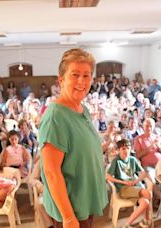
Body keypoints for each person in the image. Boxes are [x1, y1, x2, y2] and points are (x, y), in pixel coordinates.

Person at [40, 48, 108, 228]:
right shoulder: (56, 116)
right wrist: (68, 217)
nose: (81, 81)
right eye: (75, 75)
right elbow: (51, 172)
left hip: (84, 201)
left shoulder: (81, 109)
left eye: (86, 75)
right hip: (71, 209)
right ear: (61, 80)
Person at [106, 139, 152, 228]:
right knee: (148, 193)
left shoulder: (133, 159)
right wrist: (123, 182)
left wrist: (135, 181)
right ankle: (146, 220)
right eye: (123, 148)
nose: (126, 150)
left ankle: (126, 225)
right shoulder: (116, 161)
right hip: (124, 189)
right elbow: (108, 177)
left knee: (145, 202)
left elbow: (143, 173)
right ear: (118, 150)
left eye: (128, 148)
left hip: (134, 187)